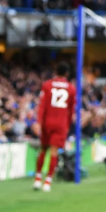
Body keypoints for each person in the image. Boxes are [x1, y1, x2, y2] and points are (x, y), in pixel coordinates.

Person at [34, 62, 76, 192]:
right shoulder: (71, 88)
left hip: (47, 121)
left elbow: (42, 105)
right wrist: (67, 125)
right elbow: (71, 110)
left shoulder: (47, 85)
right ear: (67, 74)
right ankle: (48, 182)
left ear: (55, 71)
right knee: (54, 152)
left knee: (43, 150)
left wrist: (38, 121)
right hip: (61, 123)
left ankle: (37, 179)